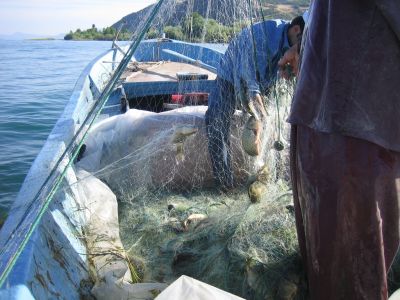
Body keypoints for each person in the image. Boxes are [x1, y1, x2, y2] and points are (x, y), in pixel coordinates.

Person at [278, 0, 400, 299]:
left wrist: (305, 46)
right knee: (353, 280)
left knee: (328, 271)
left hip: (324, 125)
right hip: (359, 138)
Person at [205, 16, 304, 189]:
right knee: (215, 121)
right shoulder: (265, 34)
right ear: (296, 29)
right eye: (300, 44)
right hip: (230, 77)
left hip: (263, 82)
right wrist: (262, 116)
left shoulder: (291, 43)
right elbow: (250, 83)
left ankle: (263, 178)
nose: (299, 49)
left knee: (270, 127)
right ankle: (224, 186)